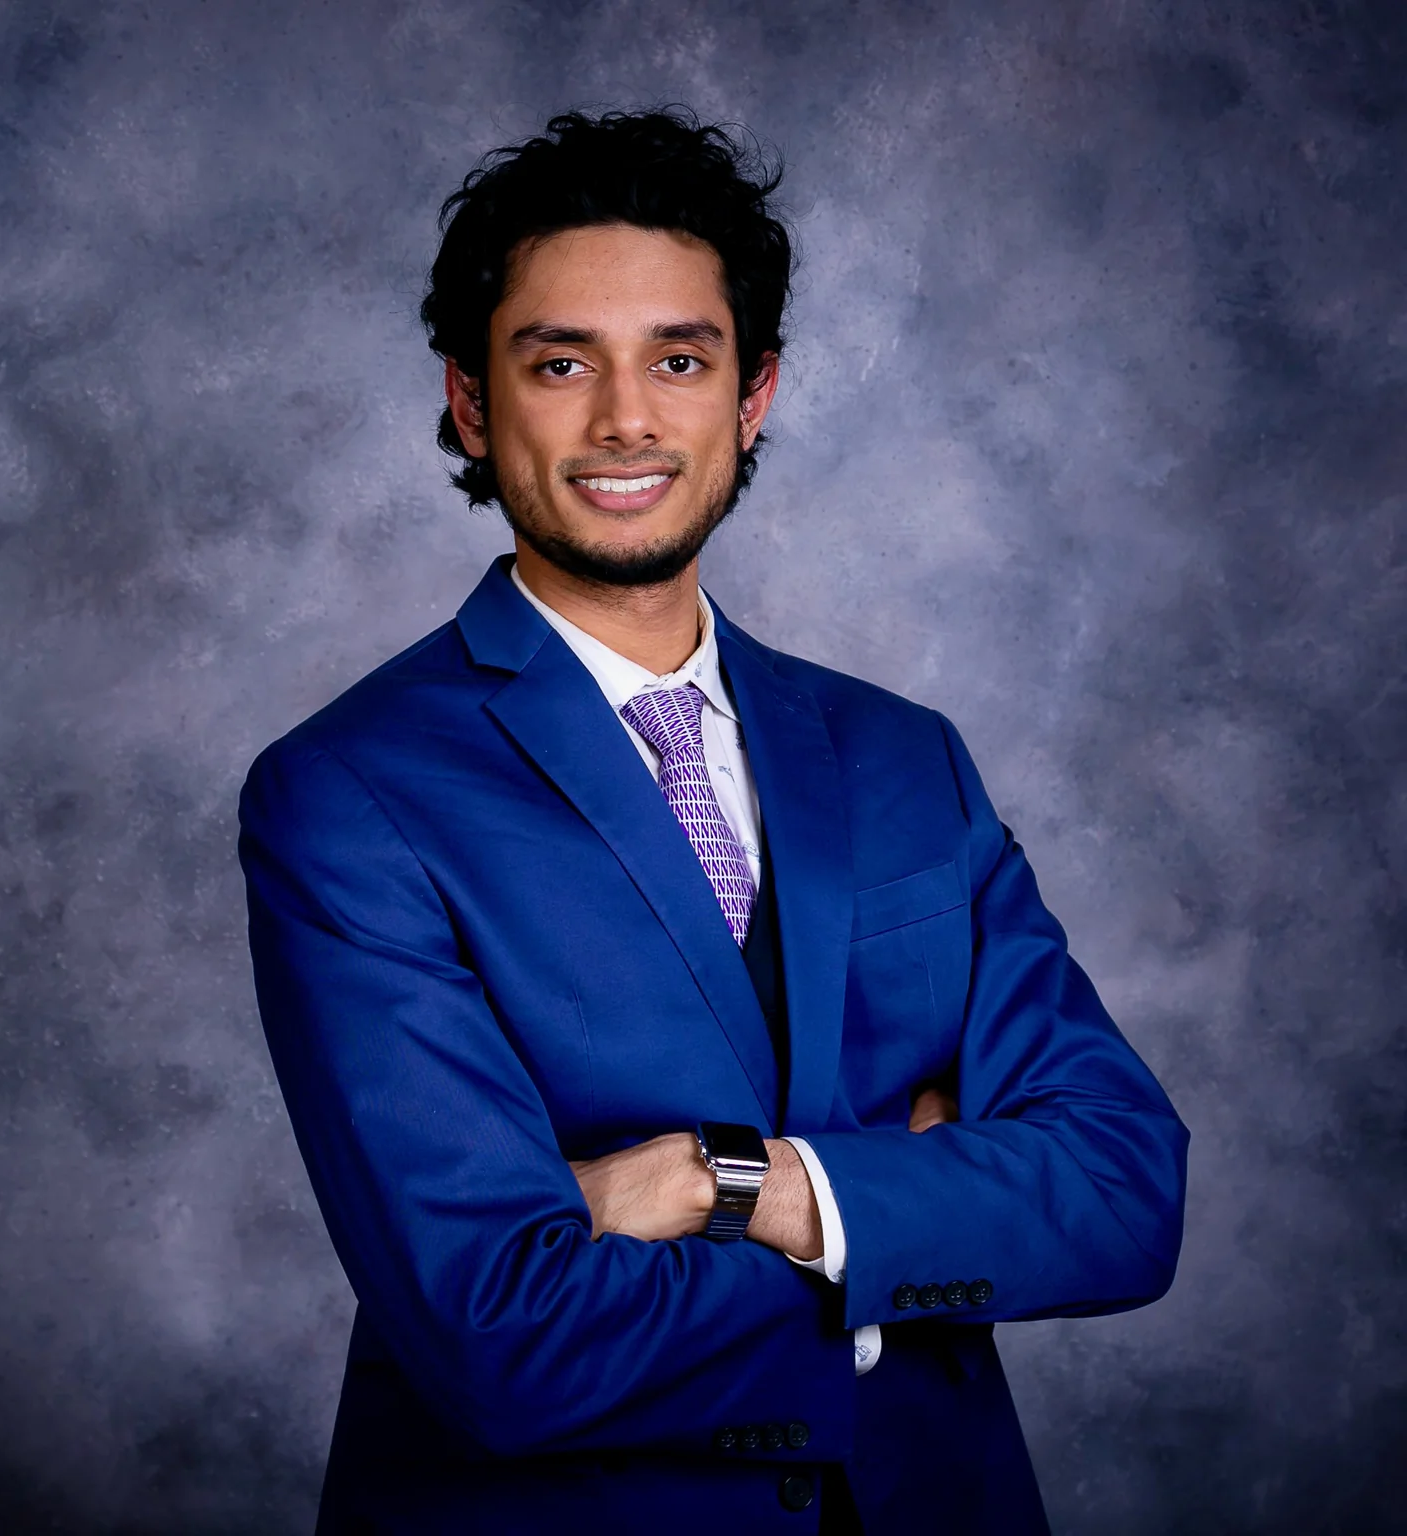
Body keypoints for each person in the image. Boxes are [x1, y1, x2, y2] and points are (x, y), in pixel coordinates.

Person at [238, 109, 1188, 1535]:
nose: (627, 420)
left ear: (753, 396)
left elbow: (1122, 1187)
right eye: (563, 363)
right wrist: (915, 1204)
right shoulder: (348, 794)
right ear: (474, 404)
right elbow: (502, 1331)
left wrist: (727, 1185)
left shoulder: (904, 757)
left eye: (679, 360)